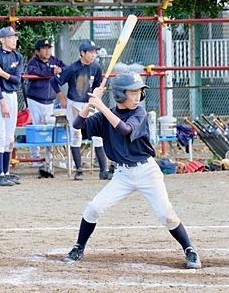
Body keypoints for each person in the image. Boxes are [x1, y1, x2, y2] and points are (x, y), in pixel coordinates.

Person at [62, 72, 201, 269]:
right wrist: (90, 104)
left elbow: (125, 129)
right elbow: (77, 126)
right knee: (94, 207)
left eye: (138, 93)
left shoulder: (139, 113)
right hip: (123, 174)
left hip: (147, 171)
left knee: (166, 214)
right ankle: (78, 247)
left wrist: (101, 107)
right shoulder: (103, 116)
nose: (137, 97)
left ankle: (190, 250)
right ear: (119, 95)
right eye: (132, 93)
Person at [49, 39, 110, 181]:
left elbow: (97, 85)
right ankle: (79, 170)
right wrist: (62, 98)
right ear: (82, 53)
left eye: (95, 52)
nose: (94, 54)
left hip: (90, 103)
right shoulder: (73, 68)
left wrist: (98, 93)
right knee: (76, 134)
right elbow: (54, 81)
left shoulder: (96, 68)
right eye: (90, 52)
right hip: (74, 103)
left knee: (97, 135)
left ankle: (103, 170)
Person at [0, 26, 24, 187]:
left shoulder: (18, 56)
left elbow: (17, 80)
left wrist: (2, 73)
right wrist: (2, 102)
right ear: (2, 40)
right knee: (0, 135)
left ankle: (7, 172)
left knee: (10, 136)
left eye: (15, 37)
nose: (14, 39)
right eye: (11, 37)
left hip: (13, 95)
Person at [25, 38, 66, 175]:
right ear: (37, 51)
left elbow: (66, 69)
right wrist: (51, 71)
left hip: (50, 101)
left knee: (49, 128)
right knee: (36, 126)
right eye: (44, 48)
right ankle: (35, 156)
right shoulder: (33, 62)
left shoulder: (55, 60)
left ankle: (49, 157)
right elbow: (36, 72)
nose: (48, 51)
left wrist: (59, 69)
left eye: (49, 48)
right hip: (35, 99)